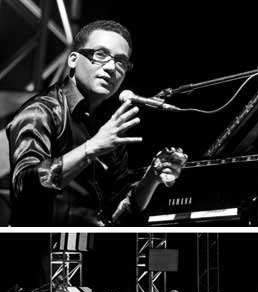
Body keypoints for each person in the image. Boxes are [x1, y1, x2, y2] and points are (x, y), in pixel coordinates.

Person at [7, 19, 188, 226]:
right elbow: (23, 186)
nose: (111, 67)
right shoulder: (41, 111)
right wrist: (91, 148)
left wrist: (152, 179)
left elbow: (118, 216)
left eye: (121, 61)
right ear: (73, 59)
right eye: (100, 55)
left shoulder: (109, 124)